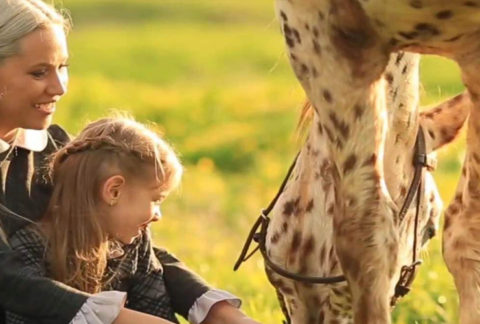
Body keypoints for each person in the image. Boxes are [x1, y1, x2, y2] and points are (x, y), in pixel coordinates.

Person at [0, 0, 260, 323]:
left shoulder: (54, 149)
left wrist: (216, 310)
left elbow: (128, 242)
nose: (59, 87)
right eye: (39, 72)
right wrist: (118, 319)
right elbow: (9, 278)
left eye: (62, 67)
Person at [6, 117, 260, 324]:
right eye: (156, 199)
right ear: (114, 191)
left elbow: (157, 311)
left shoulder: (132, 246)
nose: (158, 215)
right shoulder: (31, 246)